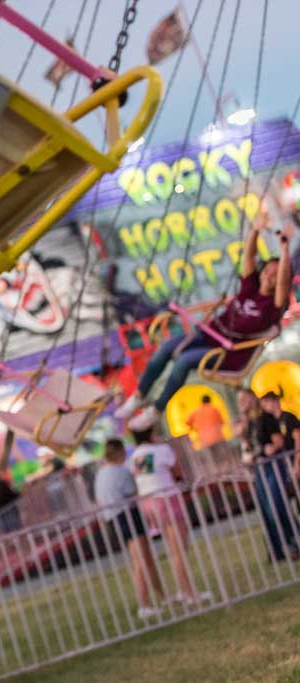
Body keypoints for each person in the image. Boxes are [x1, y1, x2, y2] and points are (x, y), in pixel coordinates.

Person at [116, 207, 291, 430]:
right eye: (268, 269)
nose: (269, 275)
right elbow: (249, 257)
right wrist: (255, 231)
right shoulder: (250, 287)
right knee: (167, 347)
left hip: (228, 353)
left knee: (184, 361)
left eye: (275, 274)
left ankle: (156, 409)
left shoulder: (272, 308)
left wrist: (284, 250)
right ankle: (139, 396)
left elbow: (285, 282)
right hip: (210, 334)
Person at [129, 426, 210, 605]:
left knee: (175, 550)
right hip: (166, 499)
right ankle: (189, 593)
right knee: (179, 550)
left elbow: (144, 476)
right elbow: (177, 471)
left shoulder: (137, 455)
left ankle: (184, 589)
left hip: (149, 502)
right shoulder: (162, 450)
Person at [95, 438, 164, 619]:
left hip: (113, 518)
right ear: (119, 452)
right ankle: (145, 604)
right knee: (141, 560)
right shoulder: (120, 471)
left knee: (144, 558)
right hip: (127, 515)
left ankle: (162, 597)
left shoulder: (101, 474)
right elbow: (134, 490)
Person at [250, 392, 300, 561]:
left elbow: (297, 440)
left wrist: (296, 464)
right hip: (282, 465)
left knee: (280, 505)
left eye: (268, 401)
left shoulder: (288, 417)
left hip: (290, 464)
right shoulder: (269, 421)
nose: (266, 405)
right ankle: (285, 546)